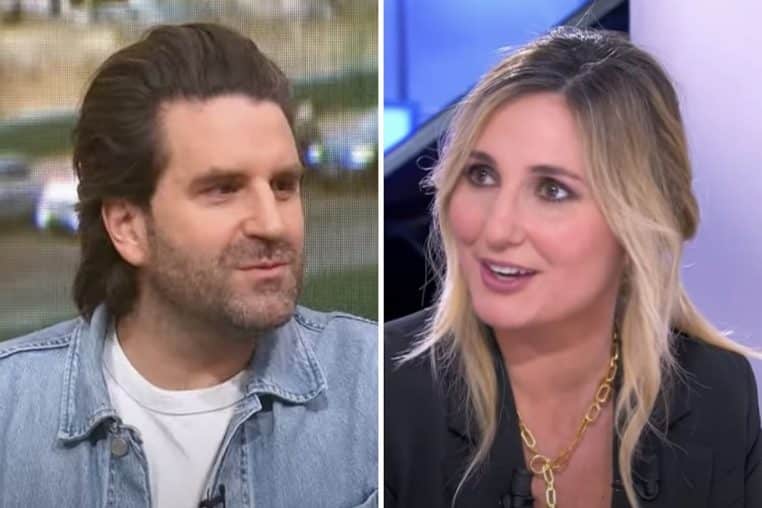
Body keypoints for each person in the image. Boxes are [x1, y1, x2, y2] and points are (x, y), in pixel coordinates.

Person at [0, 23, 377, 508]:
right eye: (223, 189)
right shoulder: (12, 411)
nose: (272, 224)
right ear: (129, 227)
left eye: (283, 186)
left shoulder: (374, 385)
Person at [385, 27, 760, 508]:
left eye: (552, 190)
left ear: (637, 220)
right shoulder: (384, 393)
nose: (497, 229)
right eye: (482, 175)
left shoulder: (717, 394)